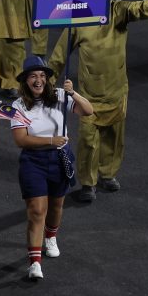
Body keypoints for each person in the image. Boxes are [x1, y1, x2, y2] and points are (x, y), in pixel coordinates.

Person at [47, 0, 148, 202]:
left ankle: (108, 174)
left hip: (116, 91)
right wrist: (47, 82)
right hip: (89, 97)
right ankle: (88, 183)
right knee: (88, 141)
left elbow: (136, 9)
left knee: (114, 137)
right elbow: (59, 55)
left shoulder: (117, 11)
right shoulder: (78, 20)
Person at [10, 56, 93, 280]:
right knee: (37, 211)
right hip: (33, 162)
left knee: (56, 206)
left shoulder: (59, 94)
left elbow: (88, 111)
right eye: (33, 76)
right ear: (25, 80)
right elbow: (21, 140)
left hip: (59, 159)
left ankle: (51, 237)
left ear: (47, 79)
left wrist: (72, 93)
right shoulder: (18, 105)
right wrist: (50, 141)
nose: (38, 80)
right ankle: (34, 262)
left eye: (42, 76)